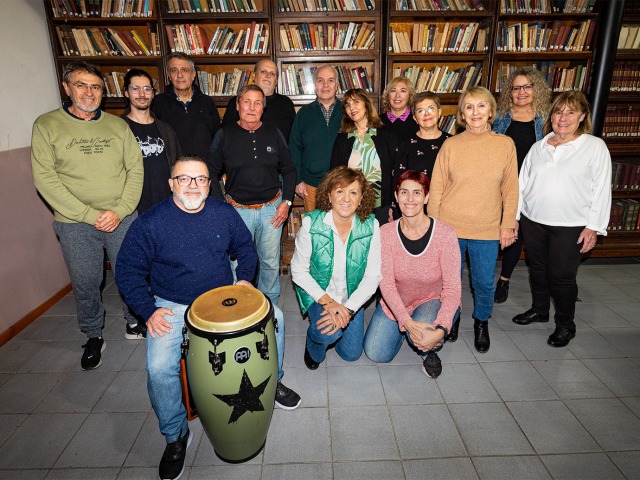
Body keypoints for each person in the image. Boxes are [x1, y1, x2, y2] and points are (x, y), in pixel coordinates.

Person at [115, 156, 301, 480]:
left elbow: (245, 247)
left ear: (209, 184)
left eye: (200, 179)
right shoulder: (151, 222)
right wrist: (147, 312)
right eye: (184, 179)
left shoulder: (222, 212)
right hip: (171, 303)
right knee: (158, 367)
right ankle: (175, 436)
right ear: (171, 183)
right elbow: (127, 271)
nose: (193, 185)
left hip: (221, 296)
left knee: (278, 319)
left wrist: (244, 279)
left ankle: (276, 380)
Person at [31, 60, 143, 370]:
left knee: (131, 272)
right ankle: (94, 334)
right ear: (67, 88)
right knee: (85, 280)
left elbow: (135, 169)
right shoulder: (47, 125)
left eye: (95, 87)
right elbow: (45, 179)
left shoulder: (118, 126)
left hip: (122, 218)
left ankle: (135, 322)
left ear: (103, 92)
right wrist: (89, 214)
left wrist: (119, 210)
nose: (89, 92)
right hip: (75, 222)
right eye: (81, 85)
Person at [513, 91, 611, 348]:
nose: (563, 117)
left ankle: (566, 325)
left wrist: (594, 227)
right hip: (533, 220)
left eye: (570, 112)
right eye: (558, 112)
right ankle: (539, 310)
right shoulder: (539, 146)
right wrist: (515, 217)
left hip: (572, 225)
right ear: (551, 116)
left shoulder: (594, 146)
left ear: (582, 117)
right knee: (538, 270)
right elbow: (522, 184)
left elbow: (602, 188)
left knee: (561, 276)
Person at [428, 86, 518, 353]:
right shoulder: (451, 145)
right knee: (450, 280)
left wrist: (508, 224)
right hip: (450, 227)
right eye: (469, 107)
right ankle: (450, 320)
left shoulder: (505, 145)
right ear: (462, 115)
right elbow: (437, 189)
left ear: (491, 111)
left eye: (481, 106)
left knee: (483, 282)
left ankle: (481, 321)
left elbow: (511, 189)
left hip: (487, 228)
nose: (475, 112)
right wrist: (434, 227)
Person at [363, 171, 461, 378]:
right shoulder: (386, 233)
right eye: (404, 192)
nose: (410, 199)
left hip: (432, 300)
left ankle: (430, 352)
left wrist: (442, 329)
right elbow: (386, 284)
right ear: (396, 197)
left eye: (417, 193)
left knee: (427, 335)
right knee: (376, 353)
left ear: (426, 197)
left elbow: (452, 289)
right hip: (398, 300)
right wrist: (406, 322)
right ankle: (408, 332)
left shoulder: (445, 234)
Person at [208, 84, 297, 306]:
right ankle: (242, 309)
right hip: (237, 212)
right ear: (237, 106)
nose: (252, 107)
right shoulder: (224, 134)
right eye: (246, 101)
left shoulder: (273, 132)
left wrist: (286, 202)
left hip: (272, 210)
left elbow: (289, 169)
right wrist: (222, 208)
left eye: (258, 103)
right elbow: (210, 171)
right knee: (238, 266)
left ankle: (270, 309)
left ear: (263, 108)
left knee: (269, 263)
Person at [291, 167, 381, 369]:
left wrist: (347, 309)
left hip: (350, 298)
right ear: (329, 195)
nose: (346, 199)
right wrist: (329, 303)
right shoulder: (311, 224)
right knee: (327, 331)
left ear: (361, 199)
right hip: (320, 294)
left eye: (353, 192)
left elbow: (372, 276)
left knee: (351, 354)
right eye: (340, 191)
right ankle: (313, 342)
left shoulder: (371, 227)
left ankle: (333, 330)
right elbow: (298, 271)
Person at [120, 68, 182, 340]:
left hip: (164, 207)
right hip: (131, 210)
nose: (142, 93)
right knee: (134, 265)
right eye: (136, 88)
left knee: (163, 263)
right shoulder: (118, 128)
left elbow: (177, 165)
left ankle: (162, 310)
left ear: (153, 93)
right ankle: (134, 318)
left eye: (147, 88)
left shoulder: (164, 129)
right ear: (126, 92)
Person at [492, 66, 551, 303]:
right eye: (516, 88)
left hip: (535, 186)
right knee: (509, 231)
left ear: (536, 89)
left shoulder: (547, 120)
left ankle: (510, 279)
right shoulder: (499, 117)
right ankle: (499, 280)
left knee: (527, 233)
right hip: (503, 184)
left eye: (527, 86)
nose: (521, 92)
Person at [330, 88, 399, 226]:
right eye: (348, 105)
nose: (351, 108)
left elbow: (395, 173)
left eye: (356, 102)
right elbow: (334, 175)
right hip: (350, 205)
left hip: (381, 206)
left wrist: (393, 206)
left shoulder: (387, 135)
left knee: (380, 245)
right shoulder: (342, 139)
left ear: (366, 104)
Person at [290, 65, 343, 212]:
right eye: (320, 80)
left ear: (337, 86)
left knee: (341, 230)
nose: (325, 85)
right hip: (310, 185)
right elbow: (294, 148)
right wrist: (298, 180)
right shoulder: (303, 113)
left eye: (330, 80)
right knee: (314, 230)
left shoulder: (348, 112)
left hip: (342, 185)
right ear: (315, 86)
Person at [151, 52, 221, 159]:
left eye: (184, 70)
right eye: (174, 70)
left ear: (193, 74)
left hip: (203, 170)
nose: (179, 75)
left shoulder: (207, 102)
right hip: (172, 170)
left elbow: (217, 139)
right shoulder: (157, 103)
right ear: (169, 75)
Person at [222, 59, 296, 141]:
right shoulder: (238, 101)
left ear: (276, 81)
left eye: (272, 73)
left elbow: (294, 139)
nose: (268, 76)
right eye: (263, 71)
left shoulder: (286, 103)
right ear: (254, 76)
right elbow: (225, 135)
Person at [393, 91, 451, 193]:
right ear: (415, 118)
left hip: (447, 204)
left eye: (431, 108)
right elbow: (398, 182)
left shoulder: (452, 142)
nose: (427, 114)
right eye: (420, 111)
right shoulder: (405, 144)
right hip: (413, 205)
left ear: (439, 112)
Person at [380, 75, 419, 141]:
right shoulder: (377, 122)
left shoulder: (418, 120)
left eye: (403, 91)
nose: (397, 96)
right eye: (393, 91)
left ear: (410, 95)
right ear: (387, 95)